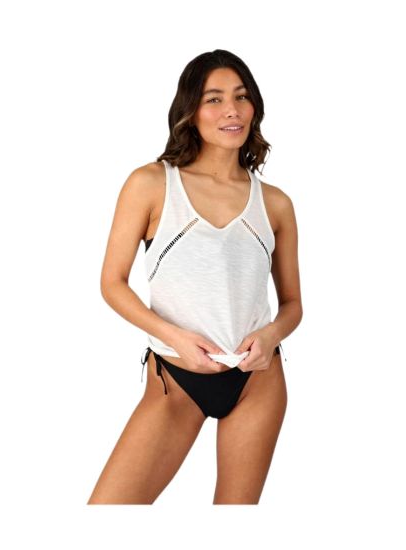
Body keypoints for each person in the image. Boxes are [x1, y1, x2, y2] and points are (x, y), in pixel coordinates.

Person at [87, 49, 303, 505]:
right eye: (214, 99)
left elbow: (292, 305)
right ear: (190, 109)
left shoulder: (276, 204)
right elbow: (112, 283)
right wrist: (175, 338)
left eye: (241, 97)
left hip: (257, 381)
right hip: (176, 378)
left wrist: (269, 337)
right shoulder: (150, 183)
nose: (232, 110)